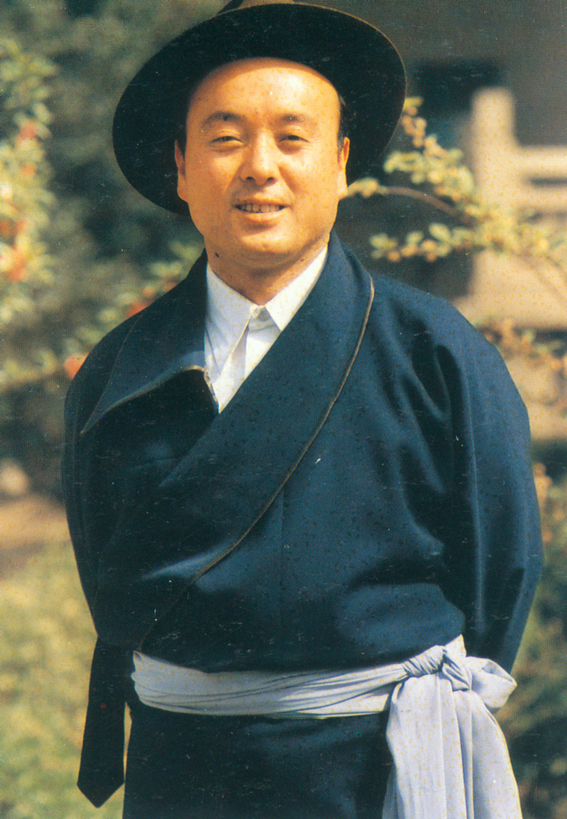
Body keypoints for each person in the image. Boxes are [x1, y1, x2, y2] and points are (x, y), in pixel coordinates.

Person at [62, 1, 542, 817]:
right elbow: (108, 575)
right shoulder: (121, 366)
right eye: (224, 139)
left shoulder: (434, 351)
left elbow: (500, 573)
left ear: (341, 161)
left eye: (291, 137)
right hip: (182, 768)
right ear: (180, 167)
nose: (260, 167)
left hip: (375, 769)